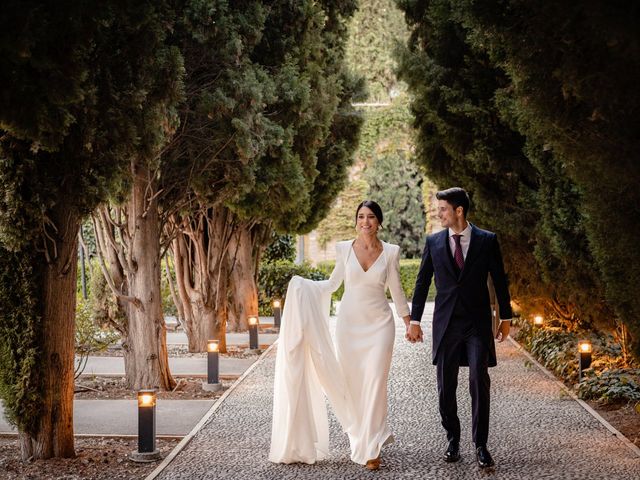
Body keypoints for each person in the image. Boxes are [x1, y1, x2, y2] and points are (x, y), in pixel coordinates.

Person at [269, 200, 411, 470]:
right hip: (349, 326)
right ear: (355, 221)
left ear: (379, 221)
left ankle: (372, 447)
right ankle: (360, 438)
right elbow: (333, 284)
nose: (365, 222)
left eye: (370, 217)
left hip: (380, 325)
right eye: (360, 217)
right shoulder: (344, 249)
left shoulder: (391, 252)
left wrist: (409, 322)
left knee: (375, 383)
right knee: (354, 384)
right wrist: (303, 286)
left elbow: (396, 289)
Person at [407, 187, 512, 469]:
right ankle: (452, 438)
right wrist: (414, 320)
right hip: (446, 325)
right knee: (445, 386)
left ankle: (481, 445)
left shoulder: (486, 240)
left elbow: (500, 280)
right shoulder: (434, 242)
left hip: (477, 323)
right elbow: (421, 282)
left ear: (458, 211)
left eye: (442, 209)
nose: (438, 213)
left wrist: (506, 317)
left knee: (479, 380)